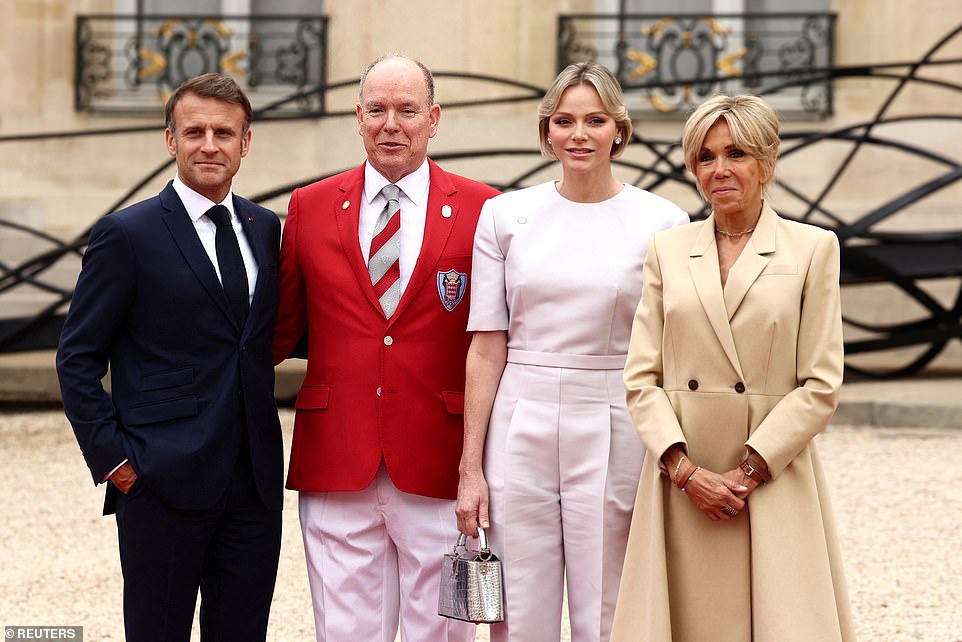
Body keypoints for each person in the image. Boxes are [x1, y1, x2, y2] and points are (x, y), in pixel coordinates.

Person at [455, 62, 689, 642]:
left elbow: (673, 350)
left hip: (616, 412)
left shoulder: (663, 222)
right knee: (518, 603)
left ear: (619, 129)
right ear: (547, 131)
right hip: (520, 416)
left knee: (608, 598)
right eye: (564, 121)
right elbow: (487, 346)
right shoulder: (504, 215)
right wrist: (470, 467)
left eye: (595, 120)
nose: (579, 134)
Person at [609, 94, 856, 642]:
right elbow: (640, 378)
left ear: (767, 162)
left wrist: (747, 473)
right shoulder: (667, 250)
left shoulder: (814, 248)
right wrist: (686, 472)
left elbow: (820, 383)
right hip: (683, 478)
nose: (719, 170)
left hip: (768, 476)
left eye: (736, 153)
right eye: (705, 156)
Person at [271, 54, 499, 642]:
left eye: (406, 110)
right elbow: (276, 332)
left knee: (442, 631)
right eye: (377, 109)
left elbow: (500, 338)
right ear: (358, 117)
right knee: (344, 632)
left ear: (434, 119)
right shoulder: (309, 206)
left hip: (440, 461)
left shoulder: (485, 209)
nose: (390, 123)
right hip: (336, 458)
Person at [56, 73, 283, 641]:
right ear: (170, 140)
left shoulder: (264, 228)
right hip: (159, 481)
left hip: (253, 484)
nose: (210, 144)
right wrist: (115, 462)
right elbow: (77, 356)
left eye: (224, 132)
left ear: (245, 142)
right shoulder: (126, 234)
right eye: (195, 131)